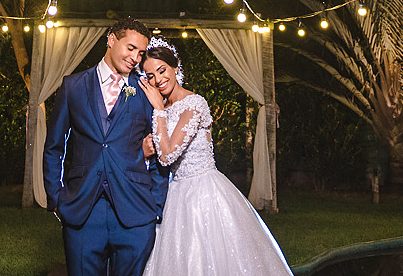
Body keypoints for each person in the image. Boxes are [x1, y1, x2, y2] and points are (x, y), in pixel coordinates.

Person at [138, 39, 293, 276]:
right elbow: (158, 148)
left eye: (162, 70)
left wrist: (157, 109)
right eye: (150, 76)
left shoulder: (194, 104)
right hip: (176, 193)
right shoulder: (164, 107)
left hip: (204, 192)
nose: (158, 80)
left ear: (175, 67)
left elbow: (168, 155)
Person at [44, 18, 169, 276]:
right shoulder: (73, 86)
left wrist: (155, 206)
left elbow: (159, 147)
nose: (135, 58)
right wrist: (56, 197)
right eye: (130, 48)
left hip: (135, 213)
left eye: (141, 53)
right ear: (111, 39)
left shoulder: (146, 91)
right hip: (82, 212)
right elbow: (54, 146)